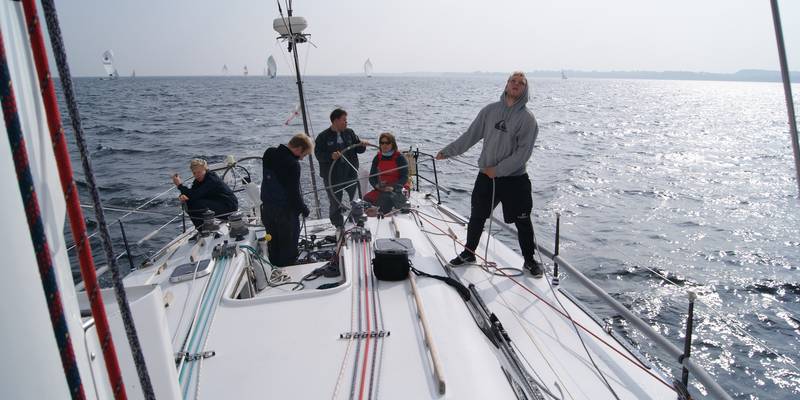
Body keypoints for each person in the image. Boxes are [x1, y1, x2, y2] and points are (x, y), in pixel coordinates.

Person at [435, 71, 543, 278]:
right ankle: (469, 253)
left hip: (515, 180)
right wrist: (448, 151)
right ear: (507, 84)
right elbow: (471, 135)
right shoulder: (489, 110)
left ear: (525, 89)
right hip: (486, 177)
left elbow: (523, 154)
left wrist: (498, 170)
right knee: (477, 216)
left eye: (521, 83)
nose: (516, 84)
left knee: (523, 221)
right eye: (513, 81)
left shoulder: (528, 119)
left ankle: (529, 261)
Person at [261, 133, 313, 267]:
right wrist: (304, 209)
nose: (302, 158)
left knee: (273, 245)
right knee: (288, 249)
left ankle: (275, 269)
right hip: (285, 214)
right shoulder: (293, 164)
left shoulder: (269, 153)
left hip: (267, 210)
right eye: (304, 154)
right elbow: (293, 194)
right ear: (299, 149)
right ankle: (288, 271)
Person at [314, 108, 368, 227]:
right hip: (332, 176)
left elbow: (358, 149)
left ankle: (357, 221)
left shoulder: (350, 133)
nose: (346, 122)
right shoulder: (323, 137)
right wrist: (330, 156)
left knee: (356, 200)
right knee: (335, 202)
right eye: (344, 120)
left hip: (350, 173)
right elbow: (318, 155)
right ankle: (338, 226)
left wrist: (363, 145)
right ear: (336, 121)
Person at [172, 158, 238, 229]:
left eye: (199, 172)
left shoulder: (211, 180)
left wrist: (179, 185)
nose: (197, 175)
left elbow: (194, 195)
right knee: (188, 202)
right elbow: (191, 193)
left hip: (229, 208)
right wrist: (183, 196)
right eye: (194, 173)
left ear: (205, 170)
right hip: (218, 203)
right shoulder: (198, 180)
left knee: (195, 203)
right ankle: (202, 229)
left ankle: (204, 228)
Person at [364, 132, 409, 213]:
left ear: (393, 144)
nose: (384, 145)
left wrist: (393, 187)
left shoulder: (400, 158)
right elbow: (372, 177)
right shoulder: (377, 158)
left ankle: (378, 213)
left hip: (396, 189)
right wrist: (376, 185)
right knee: (366, 199)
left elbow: (404, 177)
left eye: (387, 143)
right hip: (381, 189)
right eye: (382, 143)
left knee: (385, 199)